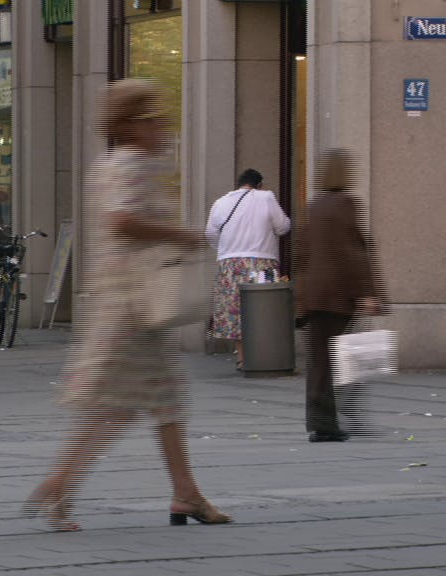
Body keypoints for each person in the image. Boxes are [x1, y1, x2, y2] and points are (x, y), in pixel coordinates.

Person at [24, 79, 232, 531]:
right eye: (154, 116)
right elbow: (120, 221)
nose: (162, 125)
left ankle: (186, 493)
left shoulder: (109, 164)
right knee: (120, 405)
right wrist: (183, 235)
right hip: (131, 308)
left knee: (162, 399)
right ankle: (59, 485)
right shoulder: (132, 164)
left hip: (124, 302)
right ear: (132, 123)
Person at [294, 149, 387, 443]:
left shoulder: (313, 206)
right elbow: (354, 253)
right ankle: (337, 416)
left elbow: (300, 252)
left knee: (319, 360)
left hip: (314, 294)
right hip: (338, 295)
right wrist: (368, 293)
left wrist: (299, 299)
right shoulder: (346, 204)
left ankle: (320, 422)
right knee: (345, 358)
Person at [205, 169, 291, 370]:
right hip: (262, 262)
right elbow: (283, 226)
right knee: (264, 309)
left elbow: (210, 234)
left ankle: (242, 358)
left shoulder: (221, 202)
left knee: (236, 312)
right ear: (259, 184)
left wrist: (228, 248)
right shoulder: (266, 197)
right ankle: (264, 355)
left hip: (229, 264)